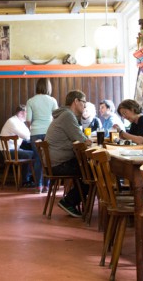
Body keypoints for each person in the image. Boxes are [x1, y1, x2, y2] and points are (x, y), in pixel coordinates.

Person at [45, 90, 91, 218]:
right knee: (93, 172)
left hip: (56, 162)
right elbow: (82, 140)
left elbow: (80, 139)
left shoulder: (66, 115)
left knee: (88, 168)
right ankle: (69, 201)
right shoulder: (67, 116)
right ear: (76, 101)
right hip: (59, 164)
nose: (85, 105)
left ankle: (76, 201)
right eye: (84, 102)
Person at [25, 78, 58, 192]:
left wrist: (31, 129)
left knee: (38, 159)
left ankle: (38, 186)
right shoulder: (52, 100)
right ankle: (46, 186)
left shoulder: (30, 101)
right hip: (50, 133)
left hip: (35, 133)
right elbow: (57, 117)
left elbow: (28, 120)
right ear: (49, 87)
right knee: (48, 159)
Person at [0, 104, 34, 185]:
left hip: (12, 149)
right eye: (27, 113)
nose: (29, 115)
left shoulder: (20, 122)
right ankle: (25, 180)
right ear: (21, 113)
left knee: (31, 152)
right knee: (31, 154)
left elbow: (28, 134)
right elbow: (26, 136)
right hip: (6, 152)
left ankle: (30, 179)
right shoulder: (12, 121)